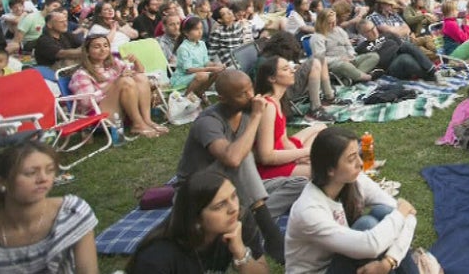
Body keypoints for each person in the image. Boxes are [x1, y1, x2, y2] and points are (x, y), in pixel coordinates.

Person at [176, 69, 307, 265]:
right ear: (222, 98)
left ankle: (247, 218)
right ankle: (270, 234)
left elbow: (267, 148)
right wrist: (256, 117)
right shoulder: (208, 121)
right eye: (241, 94)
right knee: (240, 157)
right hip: (199, 190)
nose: (250, 97)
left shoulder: (247, 111)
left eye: (250, 90)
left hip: (234, 188)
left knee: (300, 183)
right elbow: (233, 159)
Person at [285, 127, 423, 274]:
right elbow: (370, 245)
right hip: (321, 271)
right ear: (330, 169)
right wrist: (401, 212)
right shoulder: (309, 210)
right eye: (351, 159)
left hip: (343, 258)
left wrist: (389, 261)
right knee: (368, 224)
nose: (360, 163)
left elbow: (409, 218)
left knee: (384, 213)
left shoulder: (354, 180)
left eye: (359, 154)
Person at [0, 140, 100, 274]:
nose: (43, 178)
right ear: (1, 182)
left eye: (50, 170)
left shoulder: (72, 214)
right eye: (30, 173)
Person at [125, 170, 269, 274]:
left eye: (233, 196)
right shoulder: (157, 259)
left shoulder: (238, 219)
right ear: (196, 219)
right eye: (220, 206)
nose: (233, 208)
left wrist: (240, 251)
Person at [70, 34, 167, 138]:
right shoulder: (81, 74)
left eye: (105, 45)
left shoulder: (112, 64)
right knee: (124, 81)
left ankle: (147, 120)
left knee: (140, 78)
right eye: (97, 47)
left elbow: (139, 72)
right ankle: (138, 124)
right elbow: (87, 102)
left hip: (122, 106)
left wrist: (135, 61)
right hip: (99, 112)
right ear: (87, 51)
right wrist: (114, 83)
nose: (103, 49)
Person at [253, 55, 329, 179]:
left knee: (321, 127)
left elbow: (283, 140)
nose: (293, 70)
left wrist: (299, 157)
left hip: (282, 150)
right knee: (326, 170)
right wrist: (306, 152)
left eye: (290, 67)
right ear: (272, 78)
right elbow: (266, 157)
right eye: (285, 69)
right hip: (270, 167)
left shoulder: (279, 100)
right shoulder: (268, 106)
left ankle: (307, 158)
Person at [354, 20, 437, 81]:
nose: (374, 31)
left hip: (400, 53)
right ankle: (430, 76)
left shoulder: (388, 34)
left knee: (406, 45)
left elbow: (402, 45)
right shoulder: (362, 48)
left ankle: (432, 70)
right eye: (369, 31)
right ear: (363, 34)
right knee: (404, 58)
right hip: (391, 67)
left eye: (373, 28)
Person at [174, 16, 228, 104]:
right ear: (186, 33)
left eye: (201, 28)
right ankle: (185, 98)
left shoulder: (202, 44)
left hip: (198, 74)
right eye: (196, 29)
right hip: (182, 77)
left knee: (218, 72)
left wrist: (216, 65)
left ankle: (200, 92)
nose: (200, 32)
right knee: (203, 75)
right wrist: (210, 69)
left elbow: (205, 62)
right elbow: (188, 70)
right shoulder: (183, 48)